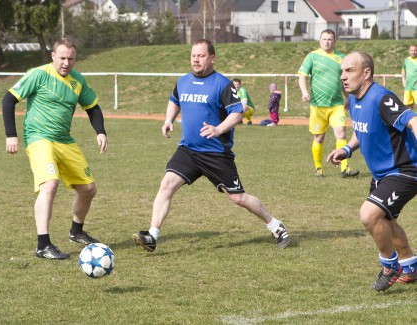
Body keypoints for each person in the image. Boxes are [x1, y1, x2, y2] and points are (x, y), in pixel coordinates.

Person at [132, 39, 290, 252]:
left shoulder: (222, 84)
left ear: (212, 58)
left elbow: (237, 112)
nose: (196, 59)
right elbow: (174, 100)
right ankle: (152, 235)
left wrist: (218, 130)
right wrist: (169, 119)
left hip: (215, 153)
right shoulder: (183, 81)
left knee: (238, 198)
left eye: (201, 55)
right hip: (188, 150)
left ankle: (276, 225)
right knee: (167, 184)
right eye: (193, 55)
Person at [2, 38, 108, 260]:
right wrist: (11, 135)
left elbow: (93, 107)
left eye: (70, 59)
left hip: (64, 140)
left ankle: (76, 232)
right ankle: (43, 245)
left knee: (89, 189)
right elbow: (9, 99)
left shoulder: (77, 80)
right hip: (39, 138)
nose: (66, 63)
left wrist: (100, 131)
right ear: (53, 56)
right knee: (49, 185)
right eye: (62, 58)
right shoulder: (38, 74)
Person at [327, 51, 417, 291]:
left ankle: (390, 266)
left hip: (405, 170)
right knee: (387, 221)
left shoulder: (381, 98)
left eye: (349, 71)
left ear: (366, 73)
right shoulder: (355, 99)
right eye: (342, 72)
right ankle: (410, 265)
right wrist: (346, 149)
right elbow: (361, 129)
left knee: (369, 215)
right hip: (382, 174)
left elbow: (413, 120)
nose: (343, 77)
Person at [298, 29, 359, 178]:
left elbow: (345, 81)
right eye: (324, 39)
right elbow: (302, 77)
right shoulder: (312, 56)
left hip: (336, 105)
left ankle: (345, 168)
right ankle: (318, 168)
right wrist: (304, 92)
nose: (327, 41)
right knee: (319, 138)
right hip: (318, 106)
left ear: (334, 41)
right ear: (320, 40)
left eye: (330, 39)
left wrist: (349, 99)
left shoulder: (341, 58)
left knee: (341, 133)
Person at [401, 44, 417, 109]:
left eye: (415, 50)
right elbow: (403, 70)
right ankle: (410, 119)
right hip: (408, 87)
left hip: (416, 87)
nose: (413, 52)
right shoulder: (407, 60)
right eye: (412, 50)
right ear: (409, 51)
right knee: (408, 107)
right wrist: (403, 80)